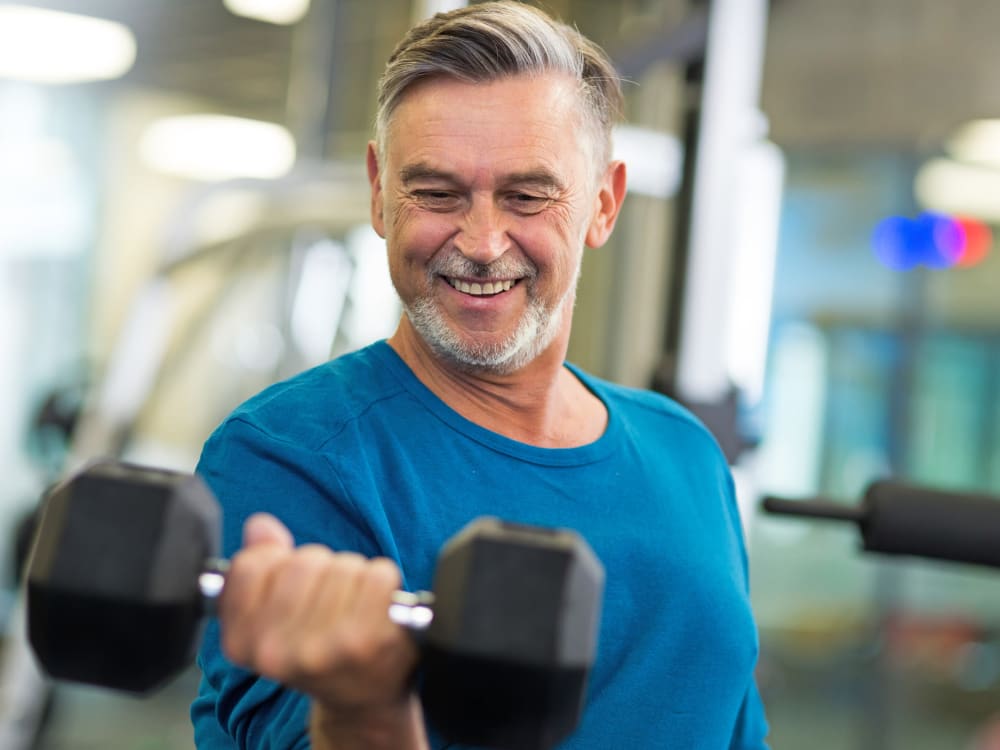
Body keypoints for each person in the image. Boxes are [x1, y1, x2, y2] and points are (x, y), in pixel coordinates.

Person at [191, 2, 770, 748]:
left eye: (527, 196)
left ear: (603, 202)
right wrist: (363, 703)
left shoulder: (685, 453)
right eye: (437, 193)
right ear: (378, 191)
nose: (483, 242)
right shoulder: (285, 456)